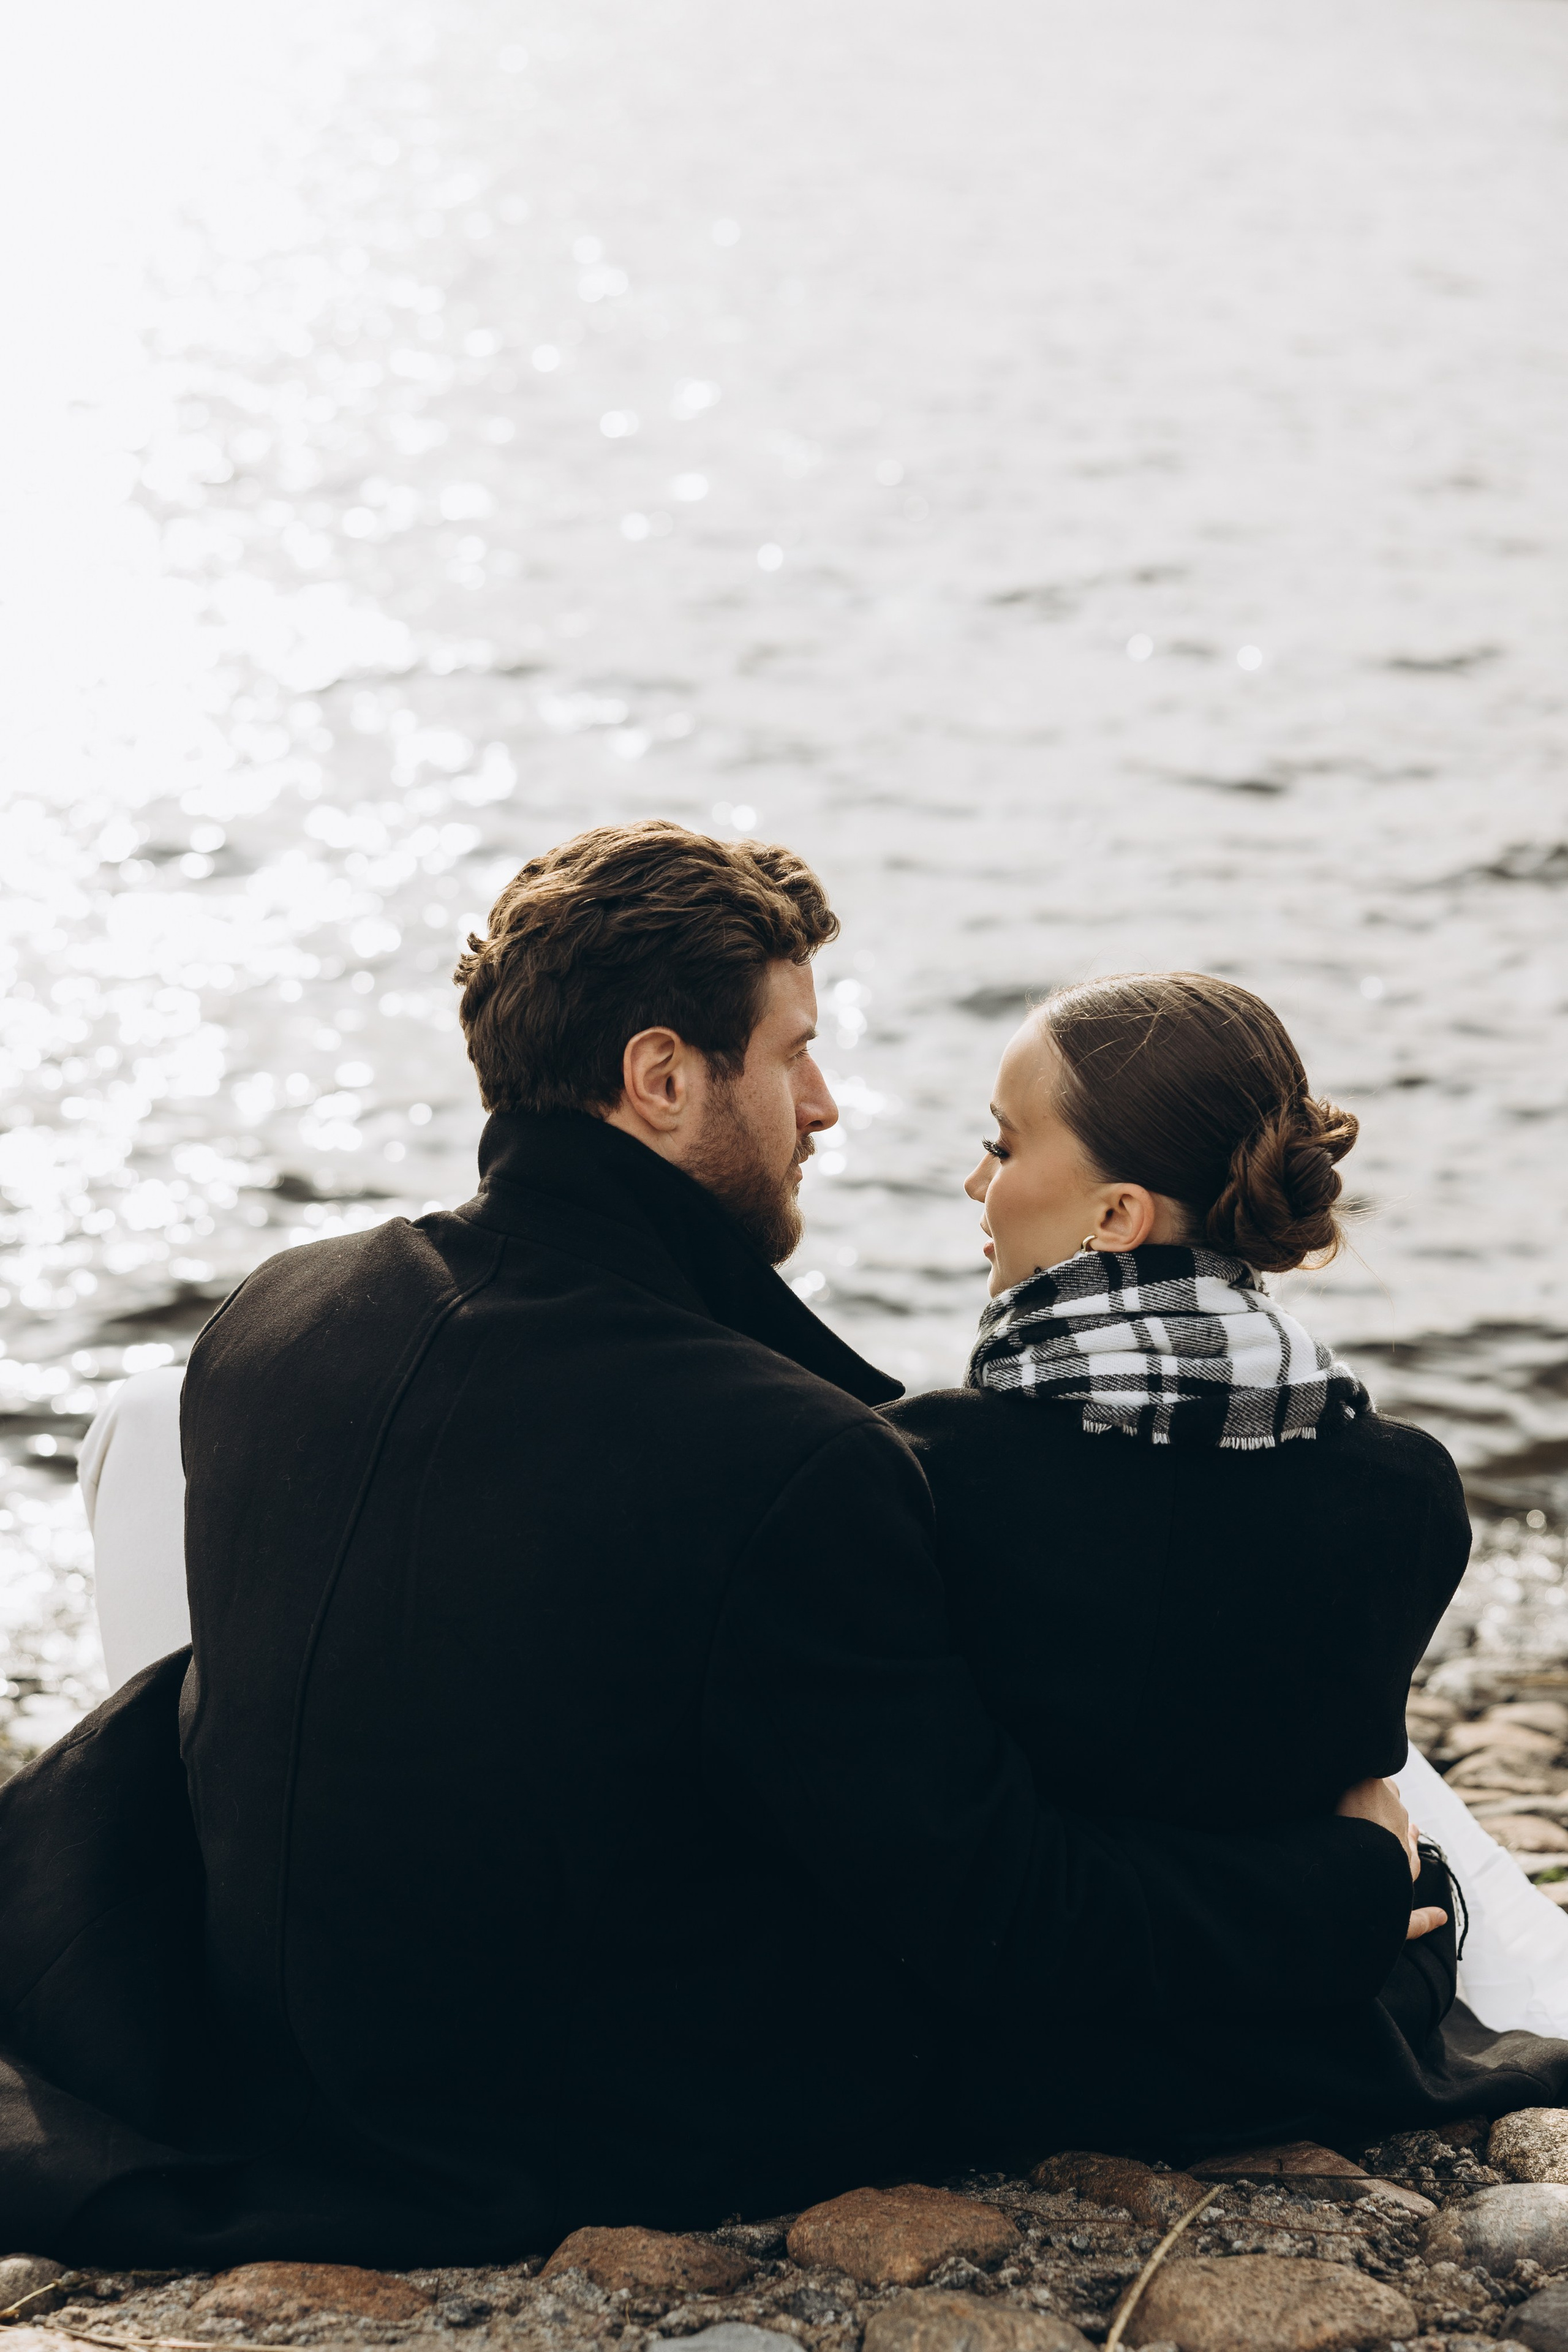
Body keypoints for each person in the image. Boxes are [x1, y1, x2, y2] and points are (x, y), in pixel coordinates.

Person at [0, 827, 1437, 2261]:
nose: (822, 1107)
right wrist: (1353, 1878)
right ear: (664, 1077)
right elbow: (1000, 1914)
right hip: (559, 2120)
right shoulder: (783, 1457)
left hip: (238, 2027)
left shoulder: (274, 1314)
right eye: (791, 1054)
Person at [886, 971, 1568, 2141]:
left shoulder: (926, 1473)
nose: (977, 1183)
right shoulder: (1407, 1491)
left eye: (1002, 1147)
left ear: (1116, 1216)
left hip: (1005, 2051)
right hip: (1318, 2027)